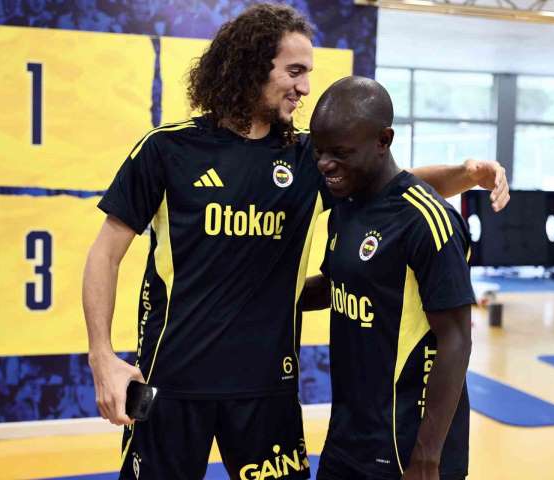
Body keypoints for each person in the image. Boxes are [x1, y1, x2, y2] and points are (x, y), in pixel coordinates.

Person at [82, 4, 508, 480]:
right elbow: (105, 253)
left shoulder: (305, 157)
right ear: (250, 66)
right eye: (295, 71)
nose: (305, 87)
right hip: (172, 383)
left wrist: (464, 174)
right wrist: (102, 356)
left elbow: (387, 185)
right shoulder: (167, 149)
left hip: (267, 389)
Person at [303, 76, 476, 480]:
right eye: (320, 151)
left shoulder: (426, 220)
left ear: (384, 140)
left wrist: (427, 455)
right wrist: (260, 293)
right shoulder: (346, 205)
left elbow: (456, 339)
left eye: (341, 152)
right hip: (348, 435)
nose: (325, 163)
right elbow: (335, 286)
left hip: (407, 446)